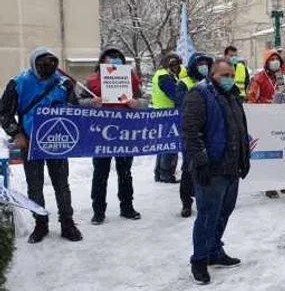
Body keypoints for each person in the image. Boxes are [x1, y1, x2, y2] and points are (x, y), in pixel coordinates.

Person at [0, 47, 82, 243]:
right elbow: (4, 113)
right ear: (34, 63)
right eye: (43, 64)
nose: (48, 67)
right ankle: (40, 223)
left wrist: (90, 105)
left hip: (58, 142)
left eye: (52, 63)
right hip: (30, 142)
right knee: (35, 186)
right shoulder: (19, 83)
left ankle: (67, 223)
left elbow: (74, 109)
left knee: (62, 184)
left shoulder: (63, 84)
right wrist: (16, 133)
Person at [183, 58, 251, 285]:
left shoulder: (232, 96)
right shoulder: (199, 94)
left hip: (231, 167)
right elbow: (191, 132)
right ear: (212, 75)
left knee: (223, 212)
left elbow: (237, 127)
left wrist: (244, 156)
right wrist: (200, 162)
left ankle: (214, 250)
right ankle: (199, 260)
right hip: (212, 169)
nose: (230, 79)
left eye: (232, 75)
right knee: (207, 216)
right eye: (225, 75)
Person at [81, 48, 145, 225]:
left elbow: (145, 100)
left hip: (125, 133)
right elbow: (77, 103)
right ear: (102, 62)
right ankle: (98, 211)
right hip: (100, 135)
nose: (115, 63)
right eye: (111, 60)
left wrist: (136, 103)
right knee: (100, 173)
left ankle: (127, 207)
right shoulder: (91, 81)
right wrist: (90, 103)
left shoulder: (131, 79)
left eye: (118, 60)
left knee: (125, 173)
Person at [248, 49, 285, 198]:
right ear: (266, 62)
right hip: (266, 120)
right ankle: (269, 185)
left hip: (283, 120)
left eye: (277, 59)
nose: (275, 62)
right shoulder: (259, 78)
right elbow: (251, 98)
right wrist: (262, 107)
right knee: (270, 154)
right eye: (272, 59)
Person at [177, 52, 214, 218]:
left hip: (209, 130)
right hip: (191, 130)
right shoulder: (184, 83)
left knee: (206, 166)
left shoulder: (211, 83)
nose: (203, 66)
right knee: (188, 167)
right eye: (200, 63)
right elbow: (182, 105)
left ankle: (203, 198)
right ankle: (186, 202)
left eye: (206, 63)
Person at [152, 53, 183, 183]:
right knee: (170, 144)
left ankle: (160, 173)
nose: (176, 68)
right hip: (168, 114)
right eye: (174, 65)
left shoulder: (160, 74)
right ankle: (166, 173)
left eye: (177, 65)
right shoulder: (165, 76)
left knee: (163, 144)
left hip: (161, 113)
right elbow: (175, 94)